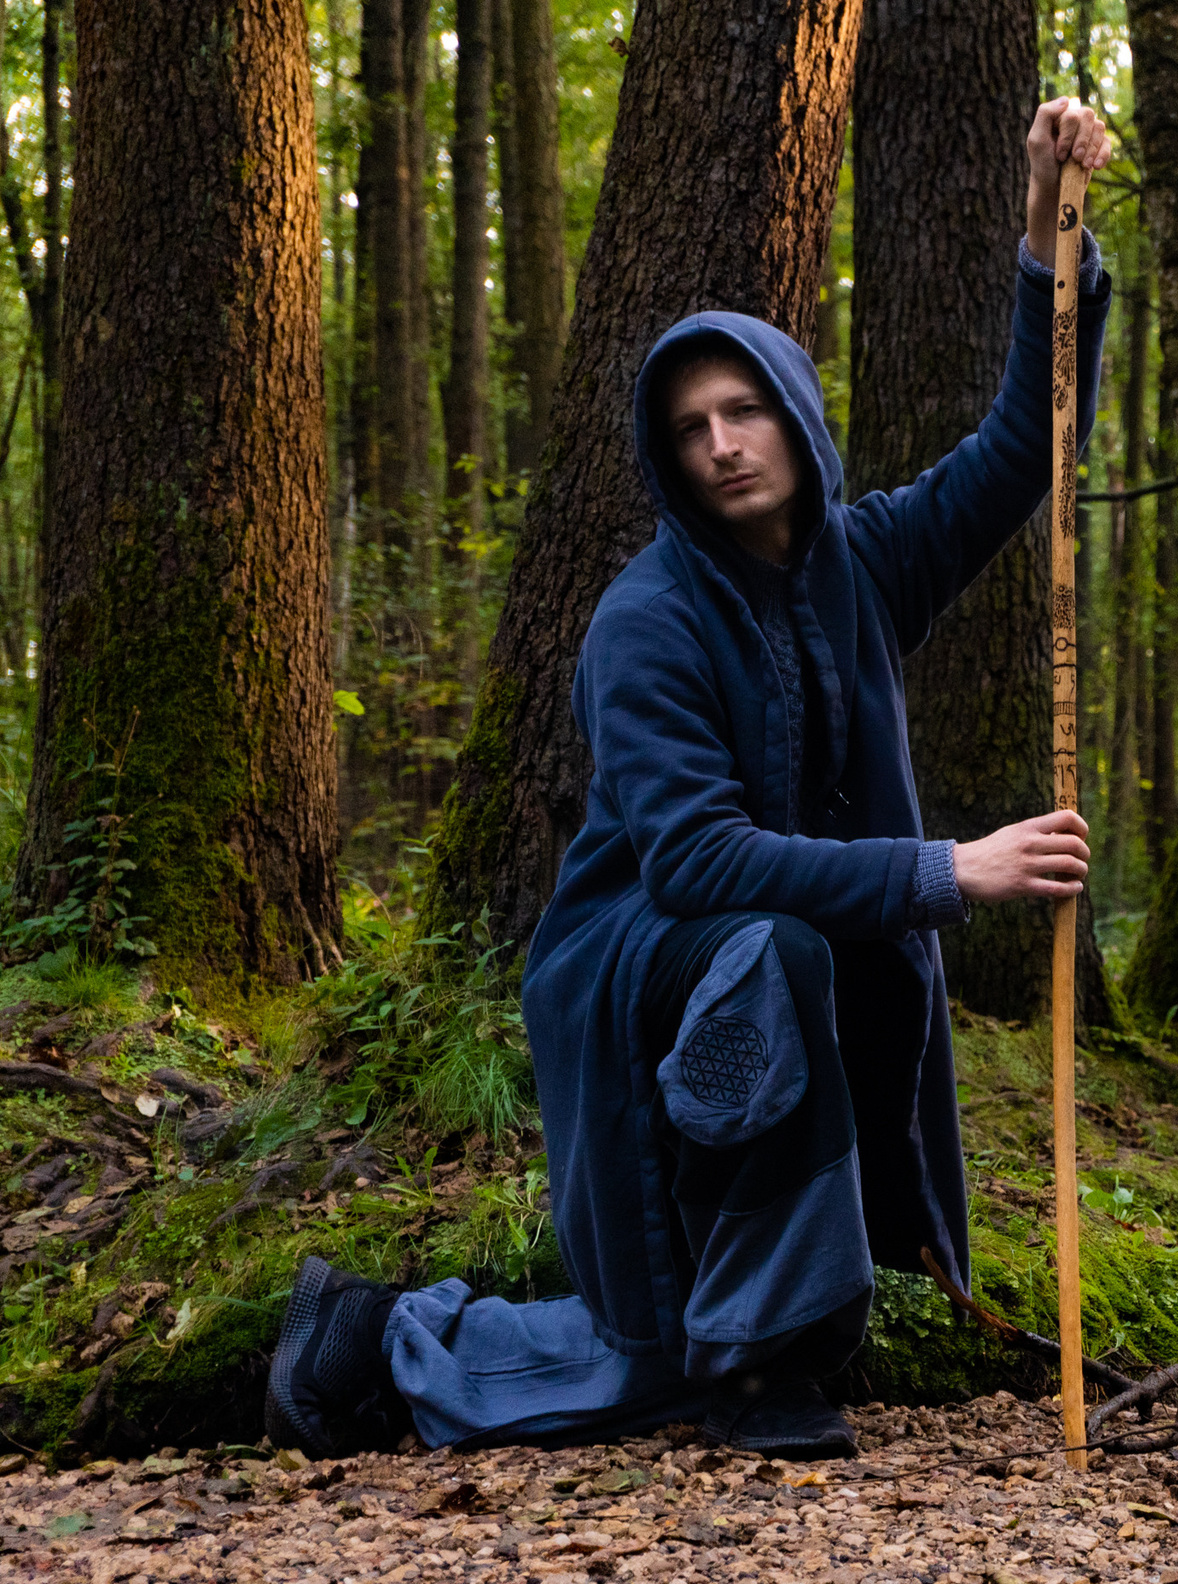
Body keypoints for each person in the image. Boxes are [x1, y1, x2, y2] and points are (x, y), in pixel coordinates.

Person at [263, 98, 1114, 1462]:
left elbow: (1024, 448)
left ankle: (711, 1339)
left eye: (746, 410)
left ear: (795, 416)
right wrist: (947, 871)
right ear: (667, 457)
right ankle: (746, 1359)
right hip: (631, 966)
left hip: (757, 956)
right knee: (764, 962)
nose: (723, 443)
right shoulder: (645, 619)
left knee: (652, 1341)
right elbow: (697, 866)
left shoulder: (866, 559)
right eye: (692, 426)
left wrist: (1042, 239)